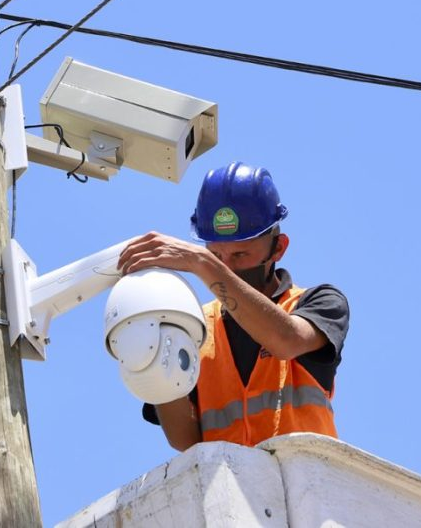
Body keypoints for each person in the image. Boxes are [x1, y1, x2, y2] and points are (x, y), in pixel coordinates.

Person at [117, 161, 349, 450]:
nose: (225, 266)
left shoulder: (319, 302)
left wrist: (202, 263)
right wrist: (154, 355)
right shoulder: (194, 326)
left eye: (240, 254)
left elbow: (287, 340)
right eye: (216, 254)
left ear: (278, 248)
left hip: (306, 485)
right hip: (229, 492)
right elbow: (186, 442)